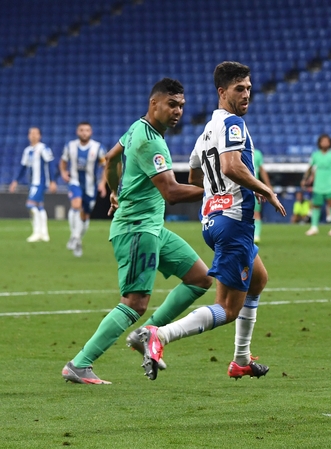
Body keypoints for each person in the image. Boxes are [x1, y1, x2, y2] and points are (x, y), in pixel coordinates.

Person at [130, 62, 286, 381]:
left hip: (212, 222)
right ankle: (159, 336)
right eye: (239, 89)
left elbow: (195, 175)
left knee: (258, 280)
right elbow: (230, 166)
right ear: (222, 92)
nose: (246, 95)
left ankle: (241, 358)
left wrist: (215, 195)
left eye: (249, 89)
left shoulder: (204, 134)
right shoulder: (232, 125)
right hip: (233, 223)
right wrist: (263, 188)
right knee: (227, 309)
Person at [61, 78, 213, 384]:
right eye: (172, 105)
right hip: (136, 230)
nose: (178, 112)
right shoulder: (151, 141)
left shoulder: (137, 128)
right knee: (134, 302)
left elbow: (110, 158)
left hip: (152, 227)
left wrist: (114, 191)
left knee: (200, 278)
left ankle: (148, 335)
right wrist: (216, 189)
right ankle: (80, 363)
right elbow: (170, 192)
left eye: (181, 106)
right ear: (154, 103)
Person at [59, 122, 107, 257]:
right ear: (77, 132)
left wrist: (103, 183)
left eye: (87, 130)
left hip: (90, 186)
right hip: (74, 182)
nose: (84, 132)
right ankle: (74, 236)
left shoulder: (98, 148)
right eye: (81, 130)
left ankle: (78, 240)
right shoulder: (70, 146)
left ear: (90, 132)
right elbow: (63, 161)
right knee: (76, 204)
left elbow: (105, 167)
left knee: (85, 216)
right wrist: (63, 173)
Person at [9, 127, 57, 242]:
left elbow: (50, 164)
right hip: (32, 183)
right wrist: (15, 181)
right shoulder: (27, 150)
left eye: (36, 133)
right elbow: (23, 167)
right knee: (39, 207)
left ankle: (37, 232)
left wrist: (52, 181)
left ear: (40, 135)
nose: (33, 135)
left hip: (40, 183)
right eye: (31, 133)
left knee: (30, 205)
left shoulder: (43, 148)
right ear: (28, 135)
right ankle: (44, 234)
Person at [301, 134, 331, 236]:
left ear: (330, 143)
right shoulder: (315, 155)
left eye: (326, 141)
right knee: (316, 206)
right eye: (323, 141)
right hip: (318, 186)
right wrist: (305, 179)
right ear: (319, 143)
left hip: (330, 185)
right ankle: (314, 227)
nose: (325, 143)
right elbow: (310, 168)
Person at [251, 147, 273, 244]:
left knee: (256, 212)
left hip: (254, 187)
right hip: (239, 187)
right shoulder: (236, 152)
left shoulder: (257, 153)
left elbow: (261, 170)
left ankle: (256, 235)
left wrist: (268, 185)